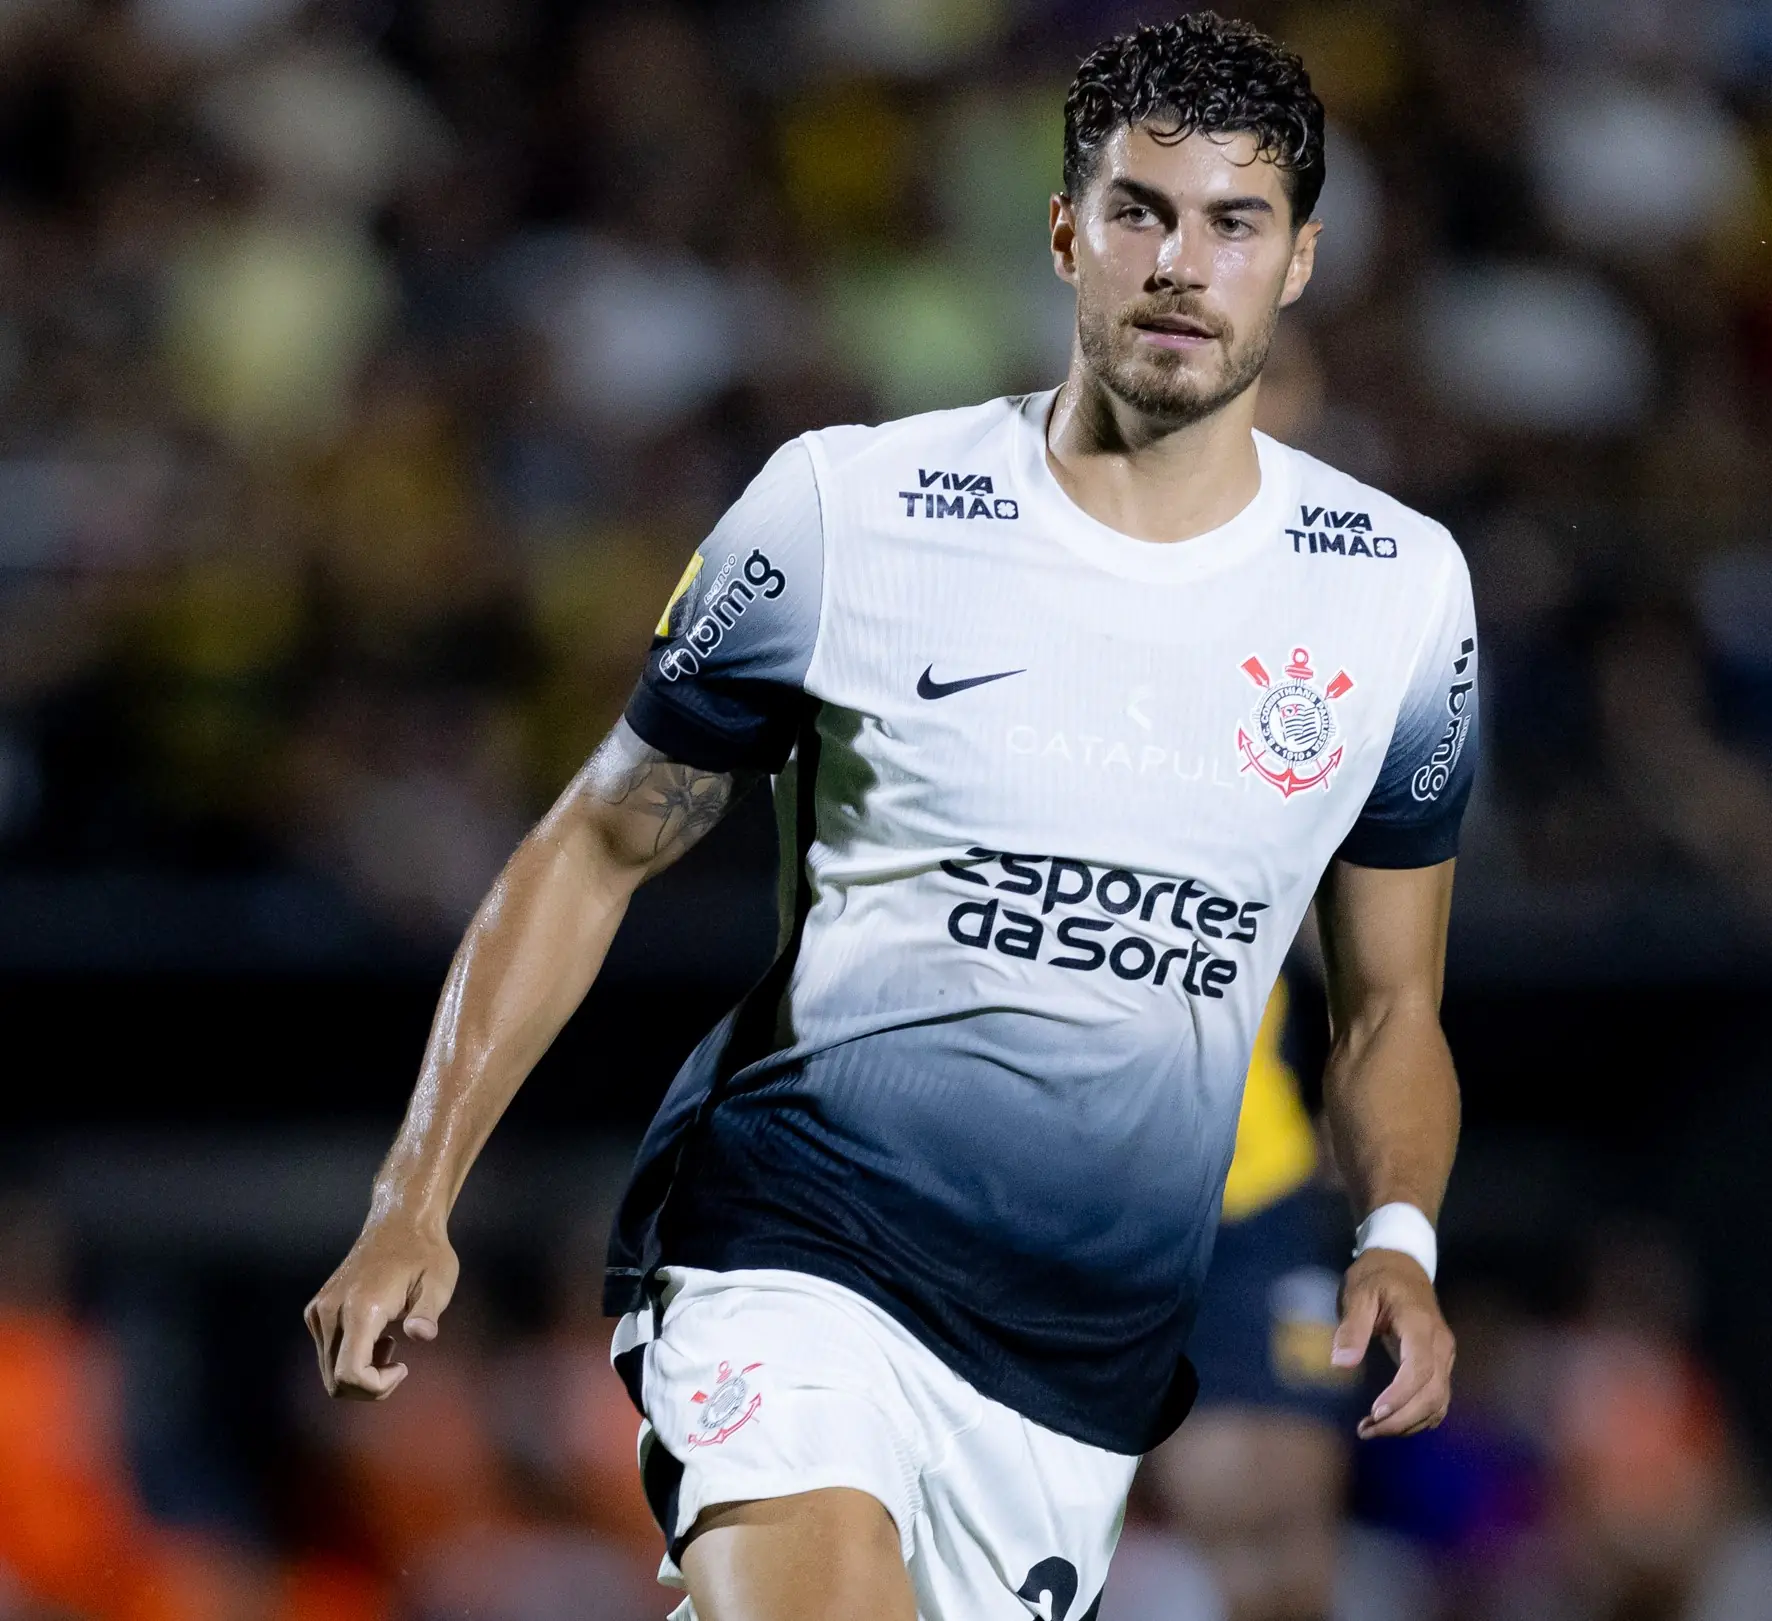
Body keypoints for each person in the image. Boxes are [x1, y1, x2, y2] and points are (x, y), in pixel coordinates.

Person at [304, 14, 1481, 1621]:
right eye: (1138, 211)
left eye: (1234, 223)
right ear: (1064, 232)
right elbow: (596, 841)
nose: (1179, 265)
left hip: (1072, 1357)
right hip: (795, 1243)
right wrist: (412, 1196)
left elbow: (1393, 1004)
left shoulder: (1398, 596)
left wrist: (1399, 1231)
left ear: (1302, 259)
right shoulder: (849, 510)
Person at [1143, 966, 1363, 1621]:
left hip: (1273, 1204)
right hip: (1151, 1205)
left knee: (1300, 1503)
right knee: (1224, 1518)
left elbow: (1373, 970)